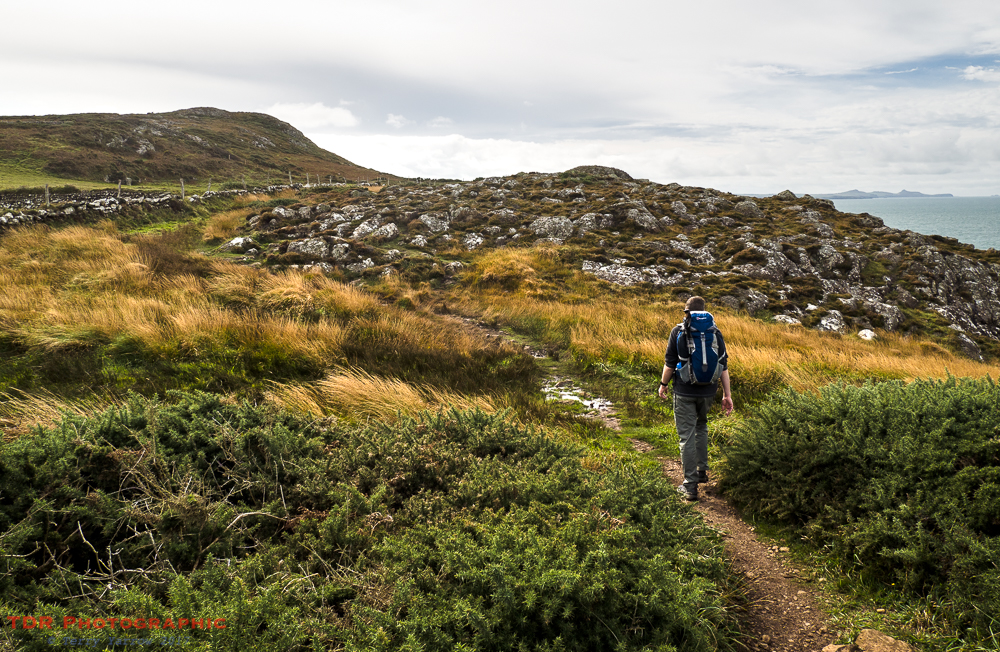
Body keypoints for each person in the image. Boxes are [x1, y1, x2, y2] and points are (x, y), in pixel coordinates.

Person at [658, 296, 733, 501]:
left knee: (686, 436)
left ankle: (689, 486)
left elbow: (670, 363)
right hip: (709, 391)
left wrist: (663, 385)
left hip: (684, 391)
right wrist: (727, 395)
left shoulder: (678, 331)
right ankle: (702, 472)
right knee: (701, 427)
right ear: (704, 312)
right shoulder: (715, 332)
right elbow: (723, 365)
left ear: (687, 313)